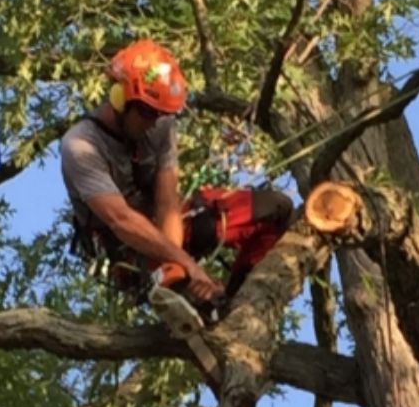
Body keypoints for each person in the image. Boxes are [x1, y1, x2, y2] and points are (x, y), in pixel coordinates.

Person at [60, 38, 293, 320]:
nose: (153, 121)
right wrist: (183, 266)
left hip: (172, 227)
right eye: (147, 112)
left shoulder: (160, 125)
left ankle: (237, 302)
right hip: (130, 249)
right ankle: (204, 308)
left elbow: (167, 201)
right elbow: (121, 220)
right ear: (119, 97)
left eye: (159, 113)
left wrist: (178, 261)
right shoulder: (81, 146)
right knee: (183, 291)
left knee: (276, 208)